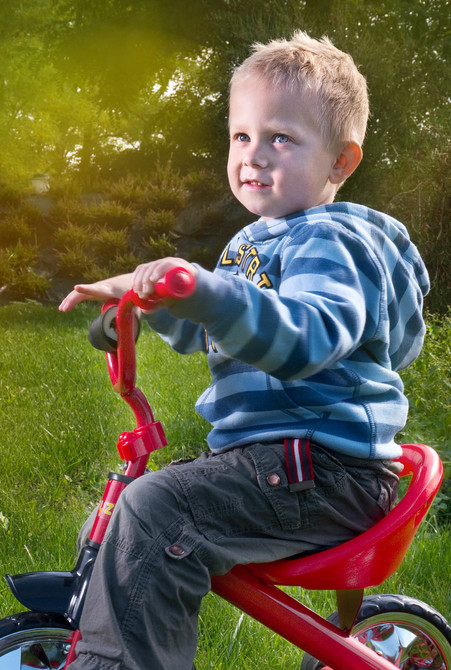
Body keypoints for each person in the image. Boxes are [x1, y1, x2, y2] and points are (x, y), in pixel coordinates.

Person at [59, 31, 429, 670]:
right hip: (282, 468)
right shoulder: (255, 241)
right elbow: (218, 329)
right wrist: (147, 306)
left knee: (156, 510)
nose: (253, 155)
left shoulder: (331, 242)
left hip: (323, 474)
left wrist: (208, 291)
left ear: (340, 162)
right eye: (241, 136)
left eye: (280, 138)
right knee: (150, 502)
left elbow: (303, 340)